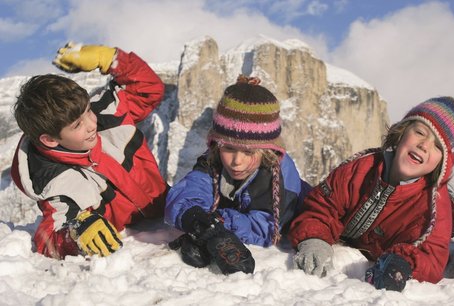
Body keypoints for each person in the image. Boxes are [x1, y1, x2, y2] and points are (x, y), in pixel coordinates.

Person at [288, 96, 454, 291]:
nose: (424, 145)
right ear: (402, 132)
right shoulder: (361, 169)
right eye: (420, 132)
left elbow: (431, 256)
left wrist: (401, 263)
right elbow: (322, 205)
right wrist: (315, 238)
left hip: (436, 218)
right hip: (363, 235)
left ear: (443, 164)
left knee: (450, 221)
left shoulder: (434, 209)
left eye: (438, 147)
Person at [10, 42, 169, 259]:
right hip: (140, 240)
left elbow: (149, 91)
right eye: (77, 125)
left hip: (170, 208)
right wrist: (77, 233)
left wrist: (111, 59)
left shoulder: (106, 112)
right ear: (50, 140)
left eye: (87, 111)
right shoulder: (54, 181)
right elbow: (50, 237)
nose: (91, 124)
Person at [165, 75, 311, 274]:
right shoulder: (212, 160)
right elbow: (190, 190)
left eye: (248, 152)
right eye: (229, 149)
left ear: (267, 150)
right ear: (216, 145)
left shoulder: (279, 175)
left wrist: (220, 223)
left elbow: (265, 228)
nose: (236, 161)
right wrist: (197, 220)